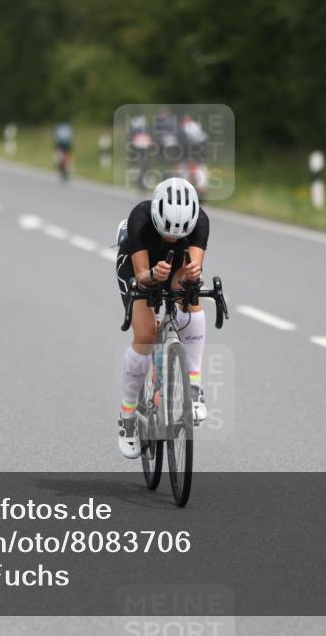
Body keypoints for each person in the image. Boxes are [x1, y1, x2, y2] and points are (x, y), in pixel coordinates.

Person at [114, 177, 209, 459]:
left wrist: (193, 275)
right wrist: (152, 276)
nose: (172, 238)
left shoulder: (200, 221)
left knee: (190, 297)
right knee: (145, 335)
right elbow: (143, 275)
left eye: (178, 234)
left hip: (175, 264)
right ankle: (127, 415)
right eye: (166, 232)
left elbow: (194, 266)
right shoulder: (140, 218)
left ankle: (193, 385)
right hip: (138, 266)